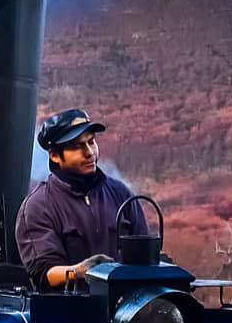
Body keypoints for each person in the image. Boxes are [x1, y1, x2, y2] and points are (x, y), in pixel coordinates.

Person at [15, 108, 147, 289]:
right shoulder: (38, 206)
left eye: (91, 142)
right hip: (71, 313)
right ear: (54, 155)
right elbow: (43, 273)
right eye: (77, 146)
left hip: (126, 311)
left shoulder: (121, 194)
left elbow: (146, 256)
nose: (89, 152)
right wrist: (81, 270)